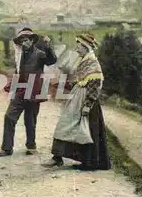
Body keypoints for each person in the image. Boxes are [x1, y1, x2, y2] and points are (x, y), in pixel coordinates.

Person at [42, 33, 111, 171]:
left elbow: (94, 85)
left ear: (86, 47)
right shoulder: (84, 60)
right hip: (77, 98)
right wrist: (61, 84)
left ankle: (89, 162)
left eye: (79, 45)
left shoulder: (92, 63)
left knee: (85, 131)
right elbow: (79, 81)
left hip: (86, 102)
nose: (77, 48)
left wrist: (87, 105)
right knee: (67, 126)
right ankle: (58, 157)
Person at [0, 27, 57, 157]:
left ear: (32, 40)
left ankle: (31, 146)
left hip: (34, 92)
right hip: (20, 91)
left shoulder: (39, 54)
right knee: (9, 116)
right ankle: (7, 148)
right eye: (22, 41)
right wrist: (11, 84)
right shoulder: (19, 55)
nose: (24, 43)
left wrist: (48, 46)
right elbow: (18, 72)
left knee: (30, 120)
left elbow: (52, 61)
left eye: (26, 40)